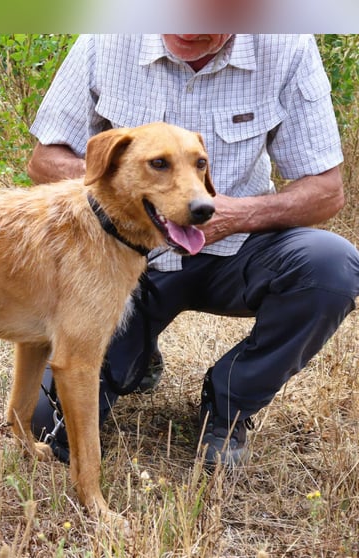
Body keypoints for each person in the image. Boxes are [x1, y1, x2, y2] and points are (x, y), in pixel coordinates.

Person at [28, 34, 359, 467]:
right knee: (43, 423)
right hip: (121, 262)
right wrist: (131, 194)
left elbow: (326, 191)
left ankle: (228, 405)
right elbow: (44, 160)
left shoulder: (287, 46)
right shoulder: (105, 40)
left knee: (331, 268)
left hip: (236, 250)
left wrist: (236, 214)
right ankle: (136, 351)